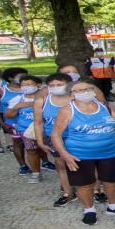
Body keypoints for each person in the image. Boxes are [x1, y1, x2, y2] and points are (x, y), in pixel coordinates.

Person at [51, 81, 115, 225]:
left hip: (110, 152)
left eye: (88, 89)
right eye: (79, 90)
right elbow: (55, 134)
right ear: (72, 95)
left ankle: (113, 206)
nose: (84, 92)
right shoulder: (67, 110)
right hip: (80, 154)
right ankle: (89, 209)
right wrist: (64, 154)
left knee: (111, 180)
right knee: (85, 183)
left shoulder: (106, 106)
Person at [33, 72, 77, 206]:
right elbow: (38, 122)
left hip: (76, 137)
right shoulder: (43, 100)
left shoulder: (77, 98)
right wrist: (40, 141)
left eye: (59, 84)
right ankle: (68, 192)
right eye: (52, 85)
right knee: (60, 165)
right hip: (53, 138)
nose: (55, 87)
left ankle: (93, 189)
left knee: (83, 164)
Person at [4, 75, 45, 183]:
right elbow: (8, 115)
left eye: (29, 84)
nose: (26, 87)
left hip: (46, 128)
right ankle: (36, 173)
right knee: (31, 150)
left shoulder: (46, 97)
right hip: (26, 130)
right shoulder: (17, 99)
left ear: (38, 85)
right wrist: (17, 106)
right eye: (23, 84)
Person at [0, 67, 30, 174]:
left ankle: (44, 162)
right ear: (10, 78)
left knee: (37, 144)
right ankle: (23, 165)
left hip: (30, 121)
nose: (24, 78)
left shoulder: (31, 88)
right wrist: (2, 124)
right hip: (13, 123)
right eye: (21, 77)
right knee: (18, 143)